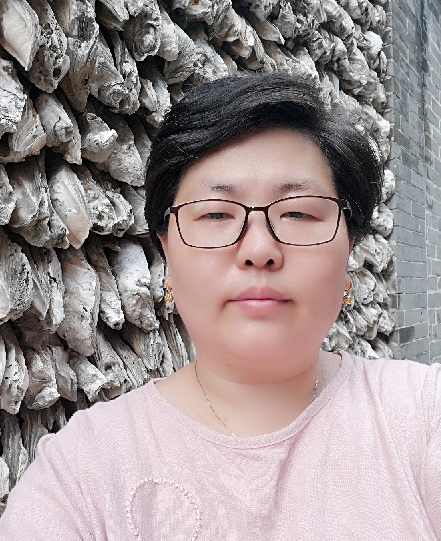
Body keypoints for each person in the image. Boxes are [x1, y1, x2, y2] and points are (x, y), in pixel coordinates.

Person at [0, 72, 439, 540]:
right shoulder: (80, 476)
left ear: (348, 247)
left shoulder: (422, 416)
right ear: (167, 251)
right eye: (214, 214)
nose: (259, 249)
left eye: (298, 212)